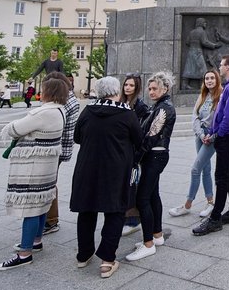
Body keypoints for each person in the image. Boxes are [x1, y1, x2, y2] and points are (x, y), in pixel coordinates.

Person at [70, 76, 142, 278]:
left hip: (87, 168)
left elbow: (77, 137)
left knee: (86, 210)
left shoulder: (88, 111)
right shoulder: (127, 114)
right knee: (115, 212)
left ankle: (83, 255)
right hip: (115, 170)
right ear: (117, 92)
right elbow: (138, 140)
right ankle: (107, 261)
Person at [0, 77, 68, 271]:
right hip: (47, 165)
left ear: (48, 92)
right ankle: (36, 241)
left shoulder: (44, 112)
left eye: (42, 89)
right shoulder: (60, 110)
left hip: (34, 167)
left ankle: (24, 253)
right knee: (42, 202)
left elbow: (15, 129)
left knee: (31, 208)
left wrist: (13, 126)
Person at [193, 54, 229, 236]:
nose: (219, 67)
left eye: (221, 65)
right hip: (227, 135)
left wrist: (217, 134)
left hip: (227, 136)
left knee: (221, 176)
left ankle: (215, 218)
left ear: (228, 67)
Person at [126, 72, 176, 261]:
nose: (151, 91)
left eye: (155, 88)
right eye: (150, 88)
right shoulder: (160, 106)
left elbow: (152, 135)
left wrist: (136, 158)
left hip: (155, 155)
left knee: (143, 199)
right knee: (153, 194)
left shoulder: (164, 108)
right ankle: (157, 235)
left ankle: (148, 244)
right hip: (154, 155)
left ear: (165, 89)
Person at [169, 70, 221, 218]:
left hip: (211, 137)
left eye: (212, 78)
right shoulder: (203, 95)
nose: (209, 81)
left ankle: (187, 204)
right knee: (205, 168)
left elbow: (220, 120)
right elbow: (195, 116)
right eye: (206, 78)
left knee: (195, 169)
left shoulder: (221, 96)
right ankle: (210, 201)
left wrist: (210, 136)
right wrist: (201, 134)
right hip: (201, 135)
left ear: (217, 80)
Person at [42, 72, 79, 236]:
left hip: (55, 148)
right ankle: (50, 219)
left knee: (48, 183)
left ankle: (51, 221)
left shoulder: (64, 102)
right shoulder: (68, 99)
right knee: (50, 183)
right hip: (59, 148)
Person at [119, 73, 149, 237]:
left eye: (131, 85)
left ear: (136, 88)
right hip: (121, 150)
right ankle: (123, 217)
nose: (128, 88)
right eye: (126, 85)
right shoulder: (120, 103)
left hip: (132, 151)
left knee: (132, 185)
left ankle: (132, 221)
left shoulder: (141, 107)